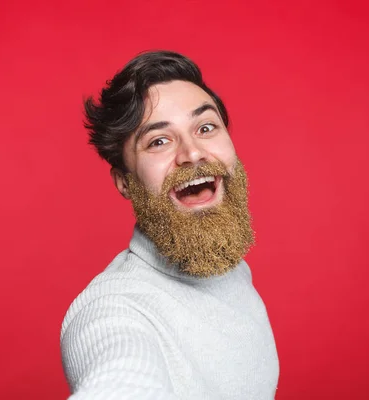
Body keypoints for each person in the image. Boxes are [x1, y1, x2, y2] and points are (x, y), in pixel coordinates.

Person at [60, 50, 279, 399]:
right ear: (125, 182)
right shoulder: (112, 309)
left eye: (206, 128)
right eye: (158, 141)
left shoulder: (230, 271)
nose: (192, 153)